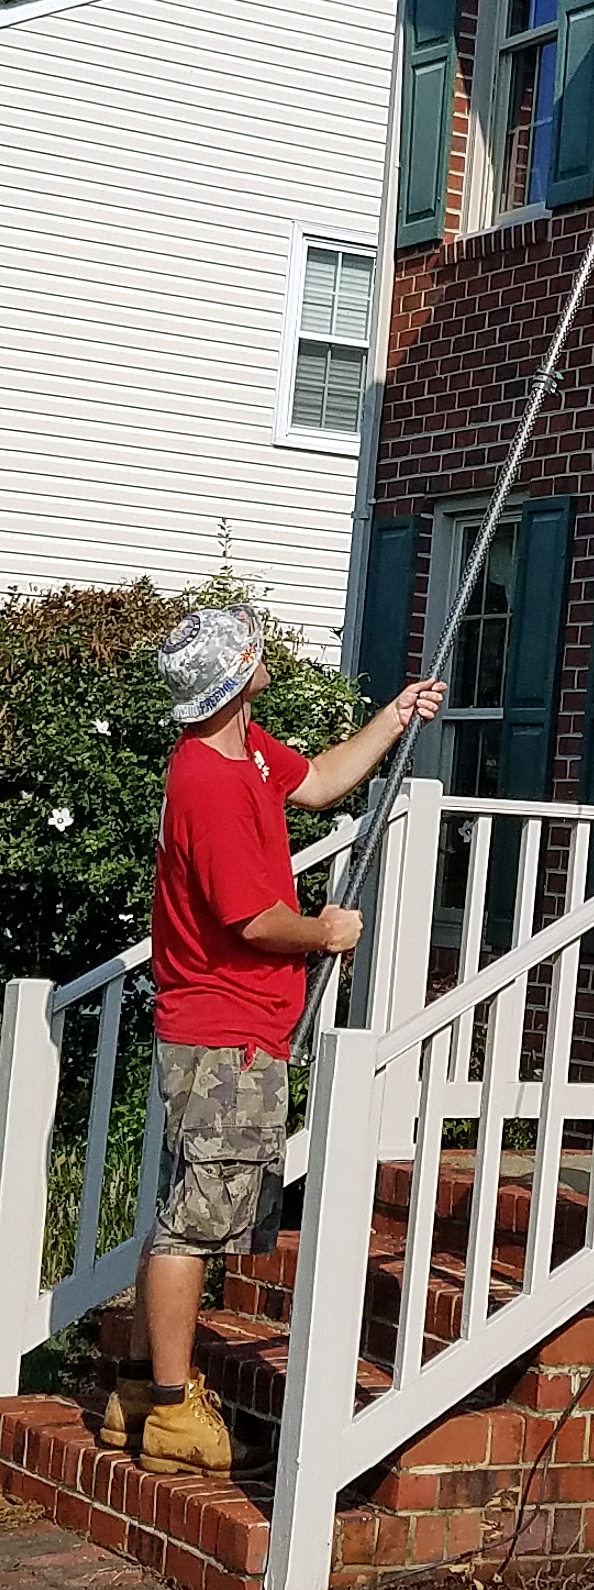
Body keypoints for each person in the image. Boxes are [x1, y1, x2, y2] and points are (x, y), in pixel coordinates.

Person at [98, 602, 443, 1478]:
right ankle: (172, 1413)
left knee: (189, 1209)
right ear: (230, 677)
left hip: (239, 1028)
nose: (264, 655)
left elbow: (321, 780)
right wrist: (323, 932)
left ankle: (138, 1388)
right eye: (251, 650)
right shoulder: (206, 783)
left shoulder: (246, 748)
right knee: (194, 1220)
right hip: (224, 1029)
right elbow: (251, 919)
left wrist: (394, 716)